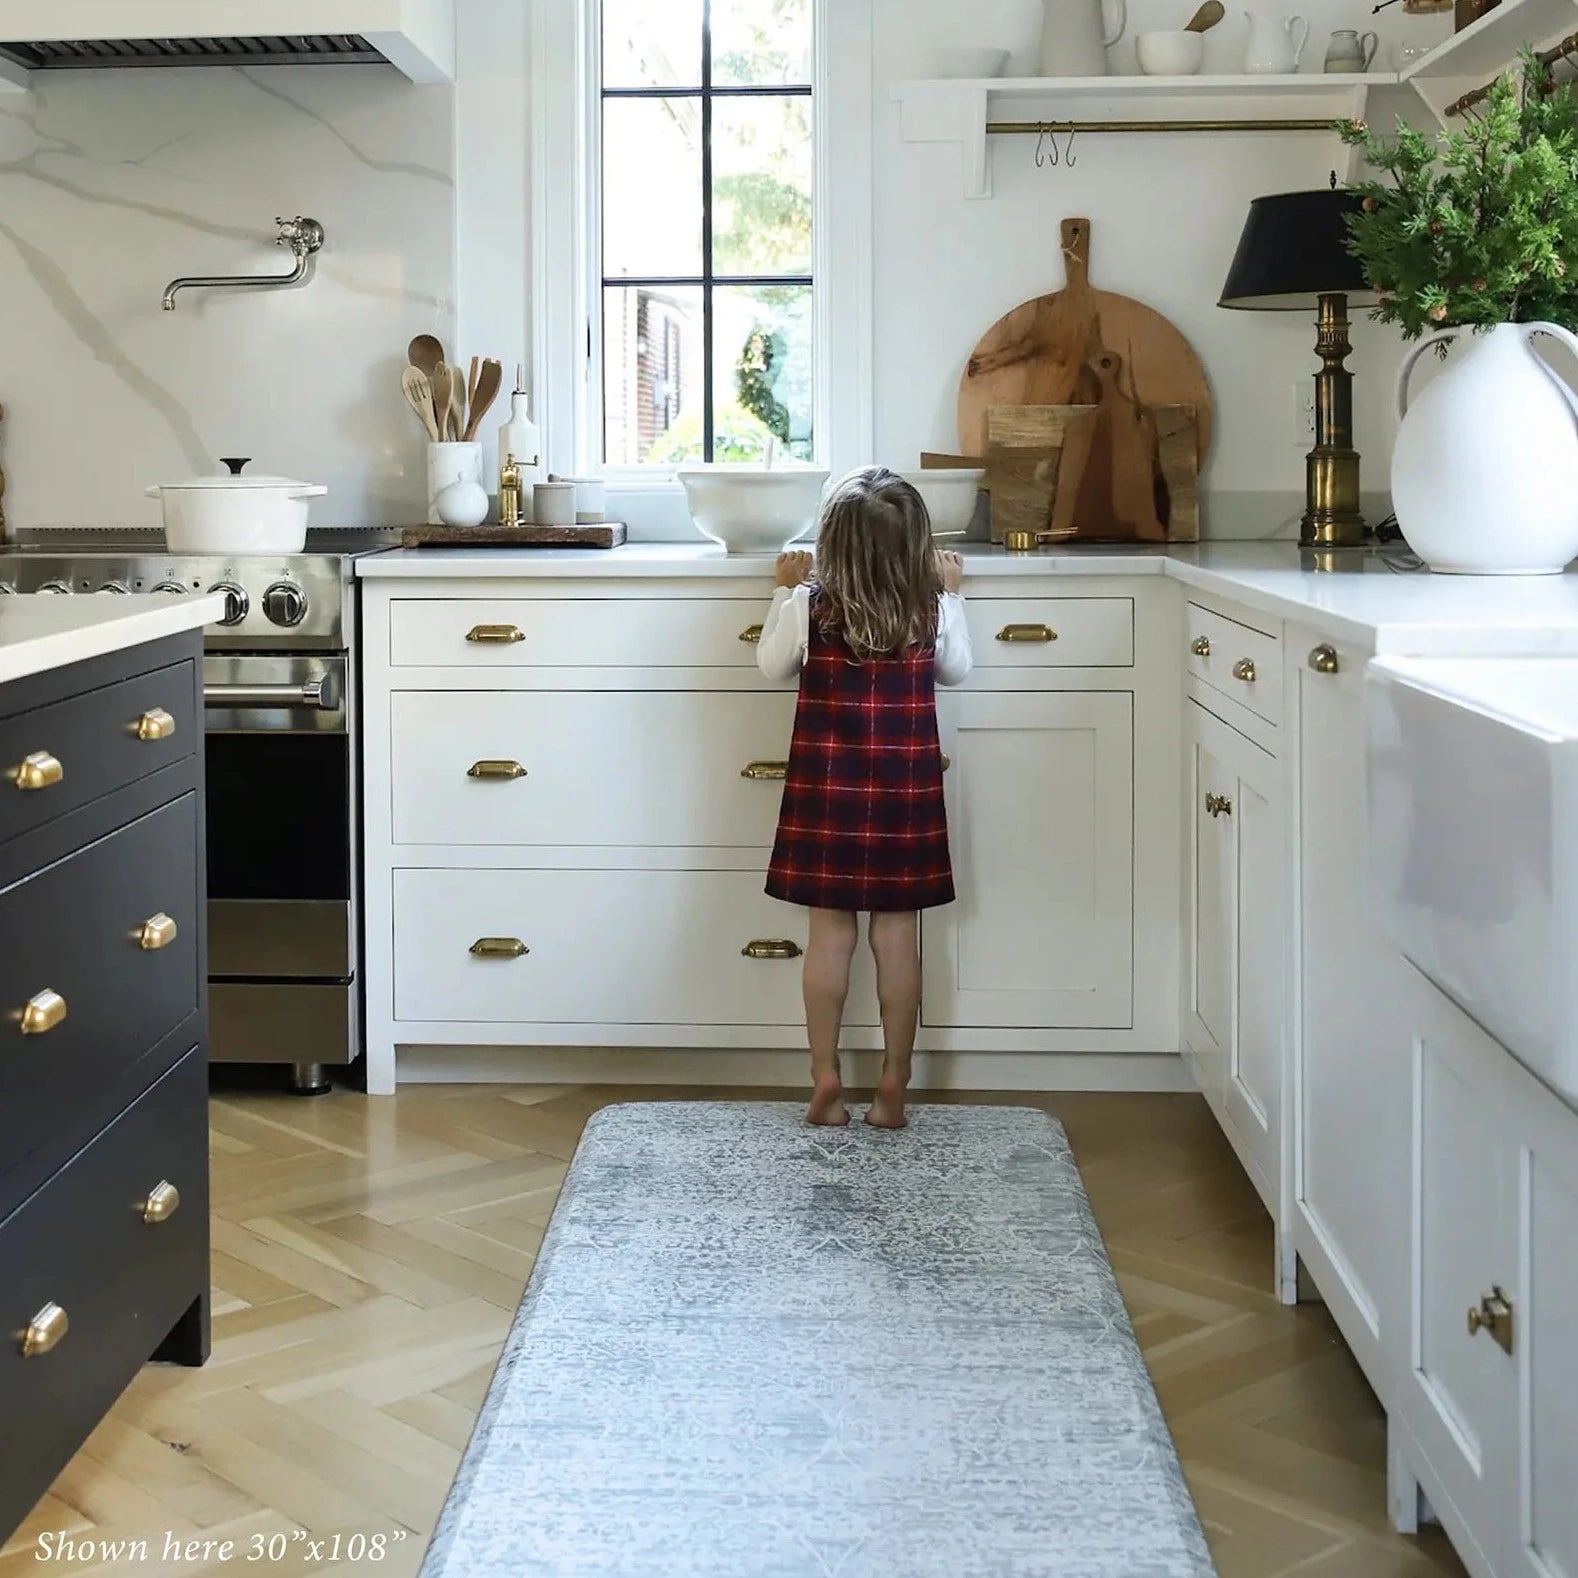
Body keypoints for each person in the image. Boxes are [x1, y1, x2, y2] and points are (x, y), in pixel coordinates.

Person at [756, 467, 972, 1130]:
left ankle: (825, 1080)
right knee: (897, 937)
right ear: (915, 547)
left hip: (828, 795)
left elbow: (770, 665)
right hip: (904, 798)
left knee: (830, 936)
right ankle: (893, 1084)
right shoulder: (927, 608)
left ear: (833, 544)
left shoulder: (809, 606)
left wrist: (782, 592)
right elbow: (958, 670)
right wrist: (955, 596)